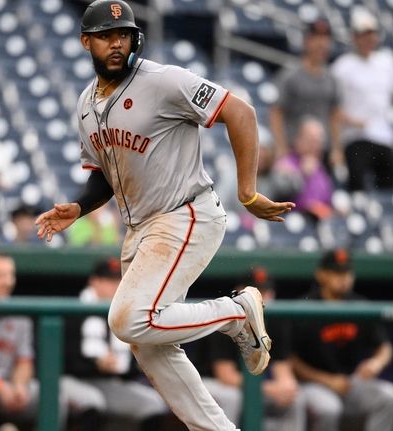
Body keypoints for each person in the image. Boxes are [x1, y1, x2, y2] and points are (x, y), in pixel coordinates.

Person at [35, 2, 295, 429]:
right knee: (150, 345)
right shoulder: (86, 104)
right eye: (105, 35)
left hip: (185, 213)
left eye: (123, 33)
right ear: (86, 42)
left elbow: (240, 112)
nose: (116, 42)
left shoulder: (163, 80)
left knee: (127, 319)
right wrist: (79, 207)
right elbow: (103, 176)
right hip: (141, 229)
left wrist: (247, 191)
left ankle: (235, 313)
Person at [0, 253, 102, 431]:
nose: (7, 281)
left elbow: (24, 361)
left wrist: (19, 385)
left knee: (51, 396)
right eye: (0, 275)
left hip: (8, 384)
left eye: (10, 275)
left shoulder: (19, 311)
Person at [291, 249, 393, 431]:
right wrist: (327, 380)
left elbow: (384, 347)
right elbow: (290, 360)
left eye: (347, 272)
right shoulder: (304, 308)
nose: (344, 278)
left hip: (350, 383)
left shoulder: (360, 305)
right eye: (337, 272)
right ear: (321, 275)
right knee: (329, 408)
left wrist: (376, 363)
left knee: (390, 396)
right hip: (313, 384)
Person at [64, 257, 168, 430]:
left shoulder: (128, 314)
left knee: (152, 404)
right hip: (73, 379)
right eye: (108, 280)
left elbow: (129, 369)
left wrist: (137, 365)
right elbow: (61, 360)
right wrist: (95, 364)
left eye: (118, 280)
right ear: (94, 282)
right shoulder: (74, 311)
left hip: (109, 382)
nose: (115, 286)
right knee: (91, 401)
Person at [198, 267, 305, 430]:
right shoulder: (227, 318)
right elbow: (226, 376)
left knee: (294, 398)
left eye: (266, 291)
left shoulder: (276, 320)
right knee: (232, 397)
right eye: (256, 292)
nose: (262, 297)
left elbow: (282, 368)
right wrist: (271, 389)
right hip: (211, 382)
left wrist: (286, 386)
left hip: (253, 385)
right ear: (239, 292)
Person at [331, 8, 393, 191]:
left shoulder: (387, 61)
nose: (368, 39)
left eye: (371, 34)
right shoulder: (342, 67)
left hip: (384, 135)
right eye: (363, 34)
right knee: (357, 182)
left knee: (390, 180)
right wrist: (347, 124)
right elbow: (333, 107)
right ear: (354, 37)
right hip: (355, 136)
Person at [269, 18, 341, 166]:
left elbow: (334, 116)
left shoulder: (331, 78)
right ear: (306, 41)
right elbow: (276, 112)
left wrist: (336, 148)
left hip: (322, 152)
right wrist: (280, 147)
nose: (322, 44)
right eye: (316, 38)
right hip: (294, 152)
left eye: (325, 39)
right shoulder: (290, 75)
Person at [274, 117, 334, 220]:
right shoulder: (285, 163)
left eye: (318, 142)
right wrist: (302, 174)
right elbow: (280, 196)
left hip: (320, 222)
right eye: (310, 141)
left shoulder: (321, 167)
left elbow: (327, 198)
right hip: (292, 223)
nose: (315, 146)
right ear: (298, 140)